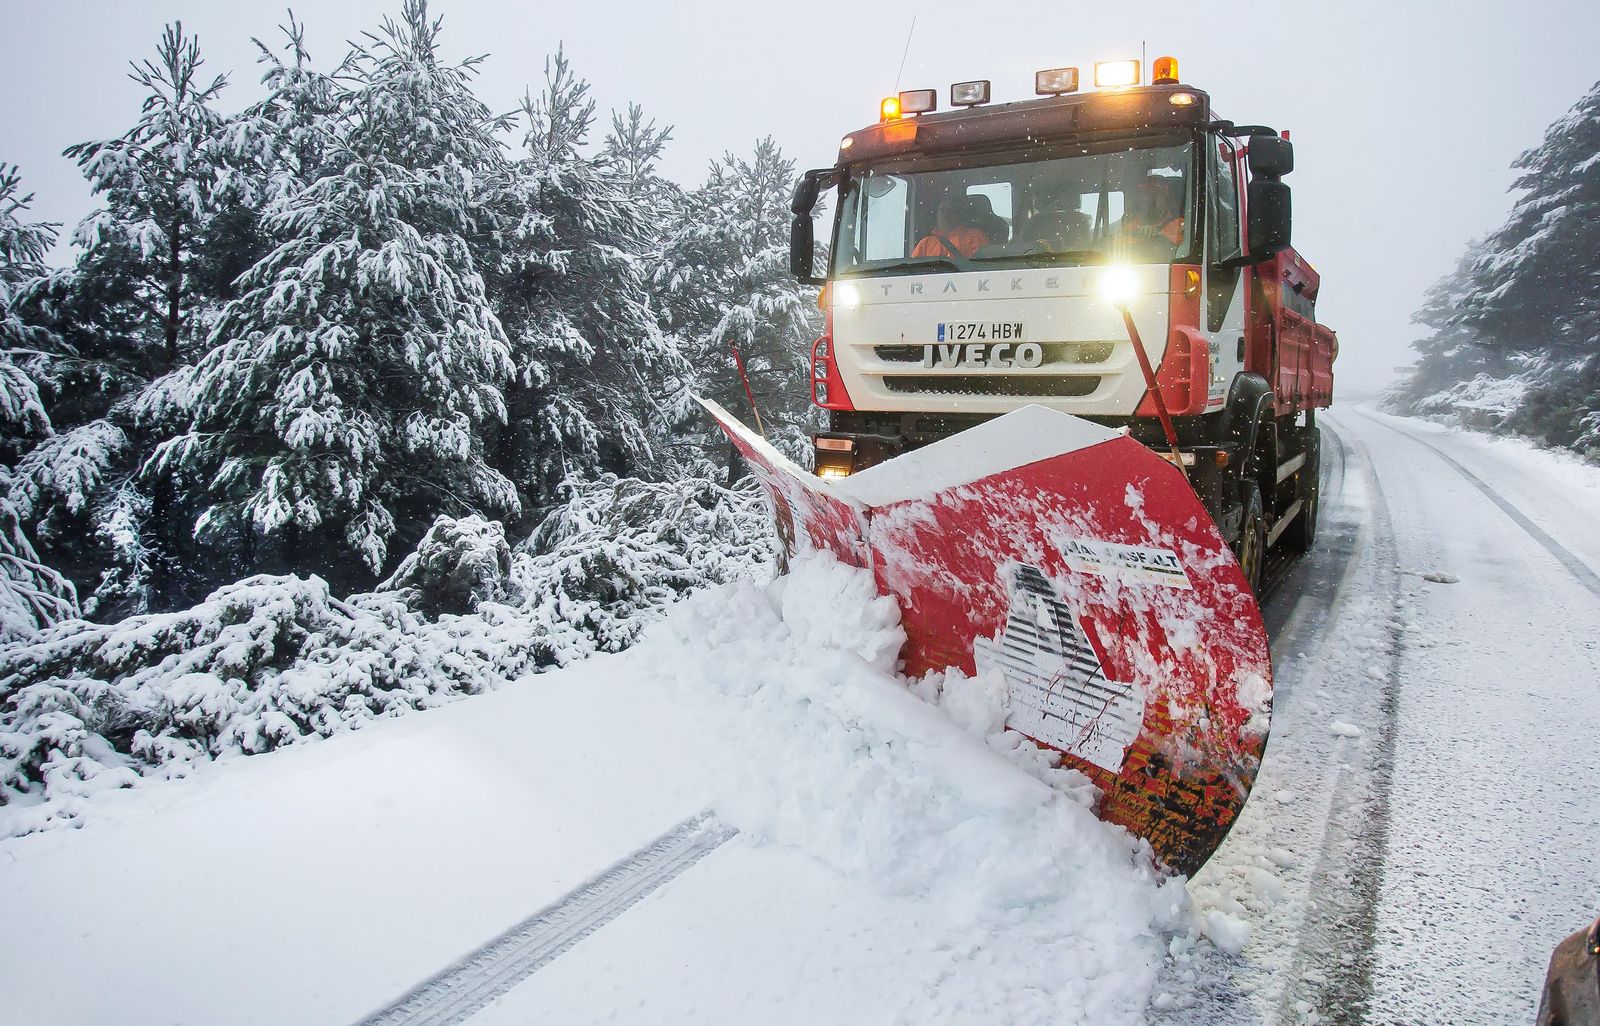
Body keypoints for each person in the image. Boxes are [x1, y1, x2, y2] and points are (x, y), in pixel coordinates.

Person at [911, 194, 989, 259]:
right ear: (936, 216)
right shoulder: (925, 243)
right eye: (942, 211)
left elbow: (982, 267)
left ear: (959, 215)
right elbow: (913, 271)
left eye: (950, 211)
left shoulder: (975, 236)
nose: (946, 215)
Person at [1124, 175, 1186, 250]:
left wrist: (1161, 236)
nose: (1152, 200)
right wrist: (1141, 237)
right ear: (1140, 198)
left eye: (1156, 193)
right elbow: (1122, 249)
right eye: (1146, 194)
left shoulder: (1182, 223)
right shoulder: (1131, 226)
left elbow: (1186, 249)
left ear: (1166, 196)